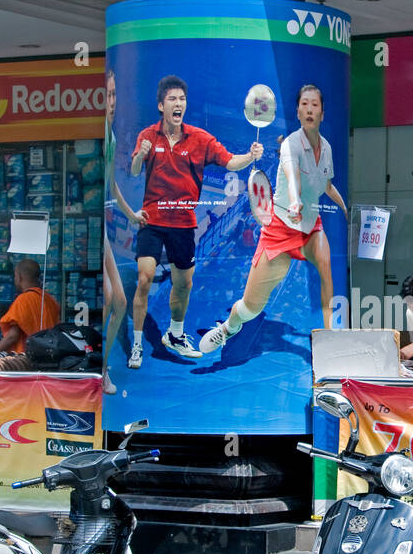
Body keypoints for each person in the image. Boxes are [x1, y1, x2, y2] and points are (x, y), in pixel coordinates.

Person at [199, 84, 346, 354]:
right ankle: (228, 328)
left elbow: (326, 184)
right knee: (251, 308)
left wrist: (344, 208)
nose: (310, 109)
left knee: (326, 269)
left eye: (315, 105)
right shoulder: (291, 144)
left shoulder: (325, 148)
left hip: (310, 226)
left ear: (322, 113)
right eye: (305, 104)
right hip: (280, 228)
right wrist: (295, 199)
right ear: (298, 112)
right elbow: (292, 174)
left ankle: (330, 343)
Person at [128, 75, 262, 366]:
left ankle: (174, 335)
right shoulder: (148, 136)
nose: (179, 104)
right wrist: (141, 155)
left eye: (182, 99)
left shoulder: (200, 139)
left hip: (183, 224)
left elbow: (229, 161)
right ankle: (137, 344)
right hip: (153, 220)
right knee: (144, 278)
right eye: (173, 99)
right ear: (161, 105)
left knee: (184, 284)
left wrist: (250, 157)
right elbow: (135, 169)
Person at [101, 69, 145, 394]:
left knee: (118, 302)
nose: (113, 102)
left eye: (116, 95)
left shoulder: (110, 135)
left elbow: (110, 182)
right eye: (108, 94)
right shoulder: (97, 133)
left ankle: (100, 369)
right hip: (95, 226)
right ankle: (98, 369)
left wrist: (131, 214)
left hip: (103, 223)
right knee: (113, 299)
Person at [0, 258, 60, 353]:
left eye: (15, 276)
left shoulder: (23, 300)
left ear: (19, 277)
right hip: (48, 356)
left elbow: (12, 336)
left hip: (27, 359)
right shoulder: (50, 299)